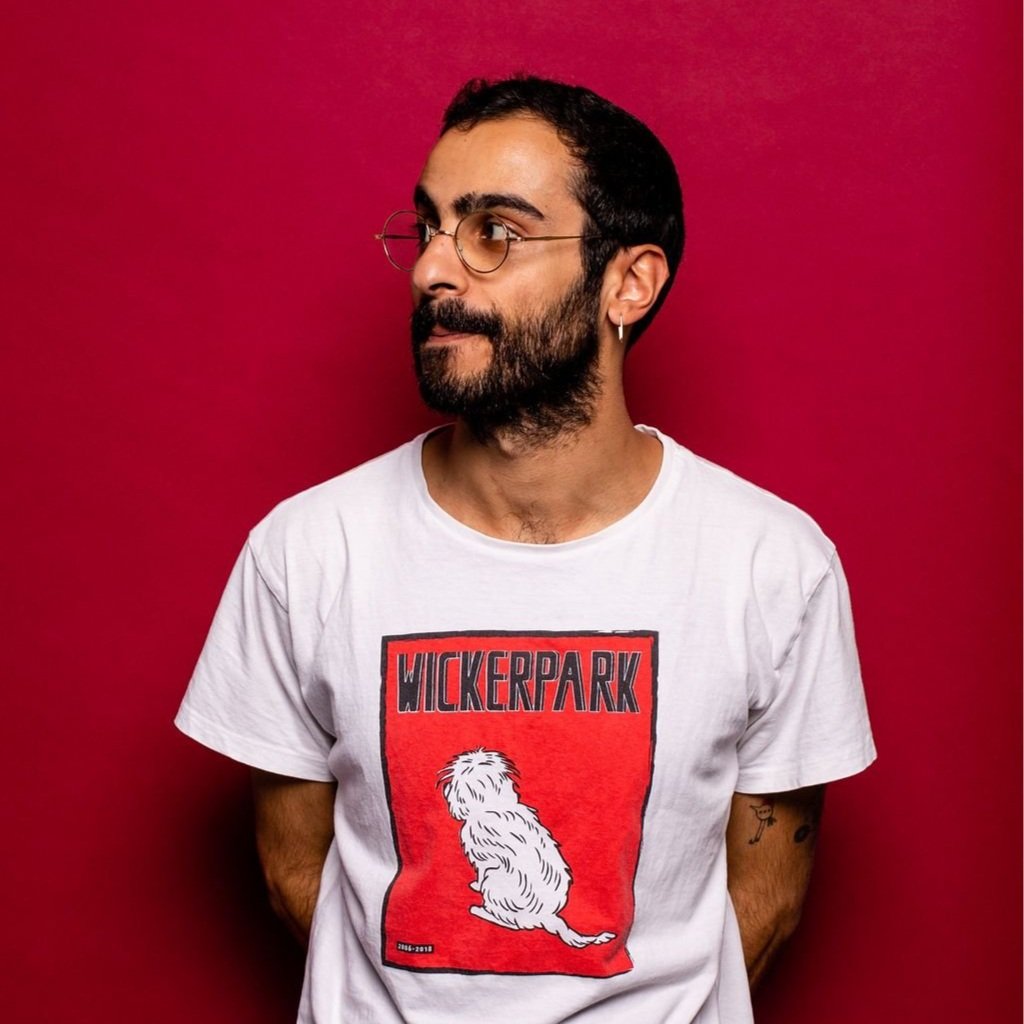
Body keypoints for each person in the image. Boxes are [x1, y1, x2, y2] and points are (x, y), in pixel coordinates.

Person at [175, 75, 875, 1024]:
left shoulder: (772, 567)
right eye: (429, 227)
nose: (432, 269)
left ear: (628, 283)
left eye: (494, 232)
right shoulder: (305, 551)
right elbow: (295, 866)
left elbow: (768, 899)